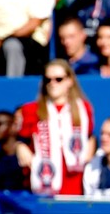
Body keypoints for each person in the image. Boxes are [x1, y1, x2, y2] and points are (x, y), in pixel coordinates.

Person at [15, 60, 95, 195]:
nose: (52, 83)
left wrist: (91, 146)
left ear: (70, 81)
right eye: (48, 79)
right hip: (43, 183)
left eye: (58, 79)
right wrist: (20, 147)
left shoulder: (83, 109)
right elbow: (22, 140)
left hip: (75, 182)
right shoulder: (31, 109)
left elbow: (89, 136)